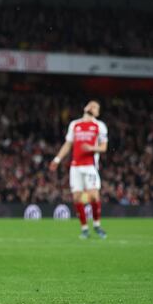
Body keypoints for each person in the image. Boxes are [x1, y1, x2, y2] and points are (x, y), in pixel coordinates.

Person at [49, 101, 108, 239]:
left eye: (97, 108)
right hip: (75, 166)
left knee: (94, 195)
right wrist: (57, 159)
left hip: (90, 166)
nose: (95, 109)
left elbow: (104, 147)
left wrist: (92, 148)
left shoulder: (100, 126)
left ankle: (97, 225)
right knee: (76, 198)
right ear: (87, 108)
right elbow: (68, 144)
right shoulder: (74, 125)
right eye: (94, 106)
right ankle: (84, 228)